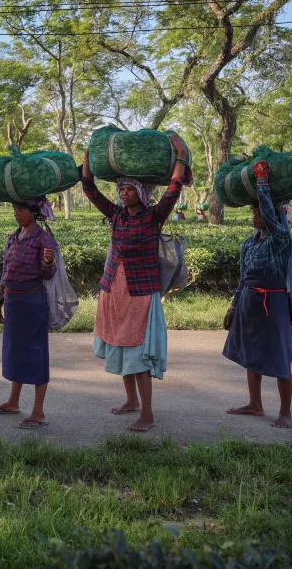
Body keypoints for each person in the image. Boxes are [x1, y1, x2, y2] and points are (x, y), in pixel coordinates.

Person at [81, 134, 189, 432]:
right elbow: (89, 188)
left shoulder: (154, 217)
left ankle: (148, 413)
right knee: (119, 344)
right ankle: (131, 401)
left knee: (139, 352)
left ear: (141, 194)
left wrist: (179, 154)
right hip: (114, 289)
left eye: (129, 189)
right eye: (122, 189)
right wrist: (89, 159)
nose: (124, 193)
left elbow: (173, 190)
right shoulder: (116, 215)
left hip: (141, 291)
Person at [222, 160, 292, 428]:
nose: (254, 215)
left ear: (274, 217)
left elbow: (269, 210)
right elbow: (243, 279)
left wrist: (262, 182)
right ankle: (255, 404)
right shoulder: (249, 244)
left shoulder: (281, 239)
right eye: (252, 211)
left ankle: (285, 411)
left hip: (274, 303)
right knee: (251, 352)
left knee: (279, 356)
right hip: (249, 302)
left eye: (259, 211)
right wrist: (232, 306)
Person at [0, 197, 57, 429]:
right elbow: (5, 272)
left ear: (34, 213)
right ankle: (13, 402)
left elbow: (49, 273)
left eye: (21, 210)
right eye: (15, 209)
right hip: (13, 301)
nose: (17, 214)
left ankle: (38, 412)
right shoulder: (13, 238)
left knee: (36, 353)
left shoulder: (43, 238)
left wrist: (48, 264)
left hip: (32, 302)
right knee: (15, 352)